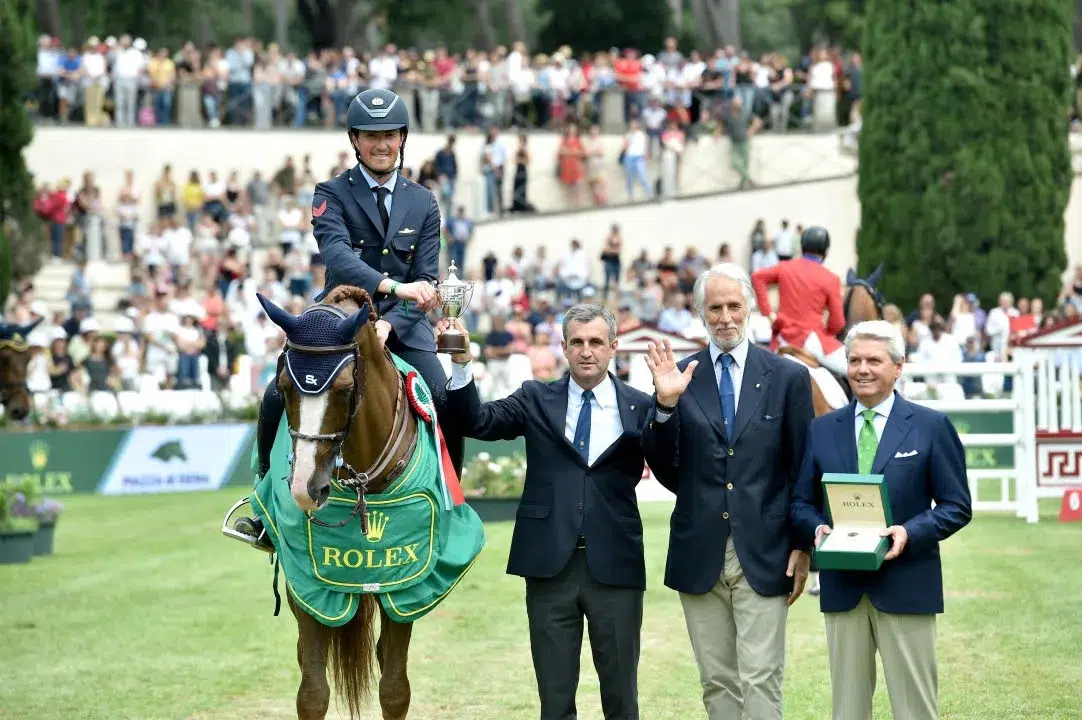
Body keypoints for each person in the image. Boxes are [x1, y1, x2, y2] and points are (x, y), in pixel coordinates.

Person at [233, 88, 454, 547]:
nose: (381, 144)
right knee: (276, 394)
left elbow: (426, 279)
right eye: (371, 135)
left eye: (389, 135)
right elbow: (338, 257)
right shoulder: (330, 194)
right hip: (338, 319)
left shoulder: (424, 202)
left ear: (402, 138)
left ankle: (452, 498)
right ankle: (263, 505)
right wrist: (392, 287)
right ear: (354, 139)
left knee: (440, 393)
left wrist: (390, 323)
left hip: (402, 322)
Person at [439, 304, 652, 720]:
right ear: (564, 348)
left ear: (613, 347)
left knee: (622, 699)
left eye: (596, 342)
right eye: (577, 342)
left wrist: (667, 407)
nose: (586, 351)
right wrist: (462, 364)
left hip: (617, 565)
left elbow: (673, 462)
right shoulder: (535, 398)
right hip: (550, 566)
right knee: (554, 702)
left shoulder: (641, 406)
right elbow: (479, 422)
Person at [642, 263, 814, 720]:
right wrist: (665, 406)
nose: (725, 317)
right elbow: (665, 465)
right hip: (699, 550)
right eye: (714, 308)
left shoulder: (787, 378)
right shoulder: (678, 376)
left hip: (765, 549)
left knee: (761, 677)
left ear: (750, 308)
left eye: (733, 306)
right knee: (717, 682)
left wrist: (803, 546)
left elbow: (802, 469)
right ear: (700, 313)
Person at [790, 320, 972, 720]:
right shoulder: (821, 430)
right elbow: (801, 502)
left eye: (874, 360)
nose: (862, 369)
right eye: (854, 360)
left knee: (915, 709)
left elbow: (957, 505)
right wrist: (816, 529)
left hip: (908, 583)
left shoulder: (931, 426)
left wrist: (910, 531)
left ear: (898, 366)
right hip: (843, 588)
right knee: (847, 710)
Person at [751, 225, 846, 375]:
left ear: (802, 247)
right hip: (811, 340)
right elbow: (837, 323)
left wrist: (768, 313)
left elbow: (757, 277)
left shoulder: (785, 267)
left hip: (782, 339)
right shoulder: (831, 278)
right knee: (854, 369)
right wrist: (827, 334)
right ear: (825, 251)